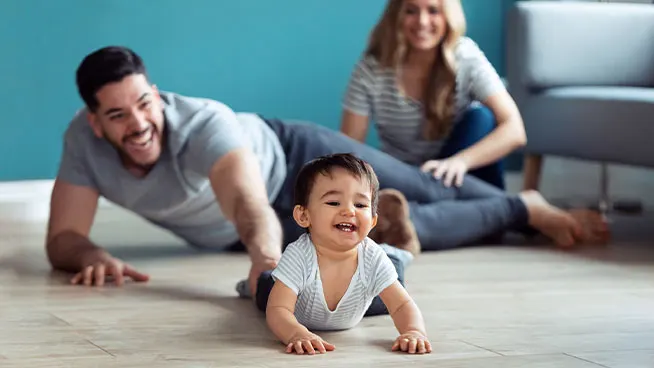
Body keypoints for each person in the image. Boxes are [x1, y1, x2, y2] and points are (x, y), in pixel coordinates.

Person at [48, 45, 607, 297]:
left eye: (146, 103)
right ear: (95, 122)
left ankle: (527, 208)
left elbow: (246, 205)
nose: (140, 123)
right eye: (118, 115)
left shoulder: (203, 124)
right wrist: (91, 254)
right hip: (270, 222)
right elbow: (63, 239)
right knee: (378, 231)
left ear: (157, 93)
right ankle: (522, 209)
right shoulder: (83, 143)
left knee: (425, 187)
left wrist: (266, 266)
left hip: (292, 159)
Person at [341, 0, 524, 190]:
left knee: (481, 117)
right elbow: (349, 147)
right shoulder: (372, 68)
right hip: (403, 176)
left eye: (433, 11)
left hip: (456, 172)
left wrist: (460, 162)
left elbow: (515, 131)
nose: (422, 21)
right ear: (397, 16)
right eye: (411, 11)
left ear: (448, 17)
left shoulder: (465, 56)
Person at [262, 153, 431, 355]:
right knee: (265, 288)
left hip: (356, 305)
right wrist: (296, 333)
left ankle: (399, 251)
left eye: (360, 205)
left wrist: (414, 331)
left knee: (392, 286)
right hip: (293, 297)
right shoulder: (299, 256)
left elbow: (403, 304)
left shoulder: (372, 257)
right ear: (304, 215)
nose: (349, 211)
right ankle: (258, 277)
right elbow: (278, 310)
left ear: (372, 222)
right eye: (334, 202)